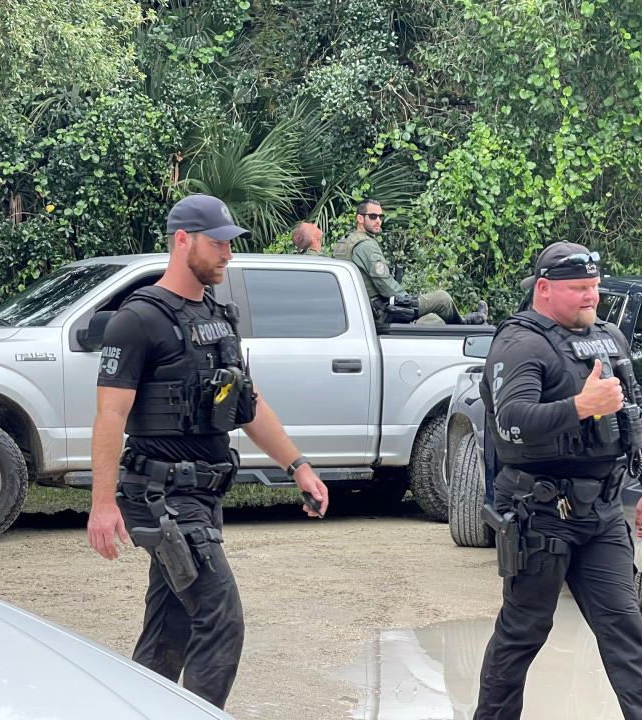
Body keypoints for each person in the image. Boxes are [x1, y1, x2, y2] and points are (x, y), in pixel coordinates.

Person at [86, 193, 329, 710]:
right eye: (217, 243)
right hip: (161, 497)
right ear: (182, 241)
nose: (227, 254)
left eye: (229, 244)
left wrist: (298, 465)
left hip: (202, 495)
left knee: (167, 632)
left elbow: (249, 402)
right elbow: (109, 415)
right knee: (220, 620)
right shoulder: (138, 320)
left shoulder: (219, 317)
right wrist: (102, 505)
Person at [473, 242, 642, 720]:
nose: (592, 297)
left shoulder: (609, 338)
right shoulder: (520, 343)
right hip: (539, 514)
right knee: (523, 631)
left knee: (626, 631)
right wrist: (581, 406)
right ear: (544, 290)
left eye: (595, 287)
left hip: (602, 514)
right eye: (580, 289)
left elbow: (638, 415)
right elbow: (512, 421)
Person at [332, 198, 488, 327]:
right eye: (373, 216)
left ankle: (470, 320)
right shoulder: (366, 245)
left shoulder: (343, 243)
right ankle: (467, 323)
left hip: (361, 310)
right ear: (360, 218)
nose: (378, 220)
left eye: (380, 216)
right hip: (380, 311)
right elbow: (383, 282)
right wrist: (406, 301)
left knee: (435, 321)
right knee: (442, 299)